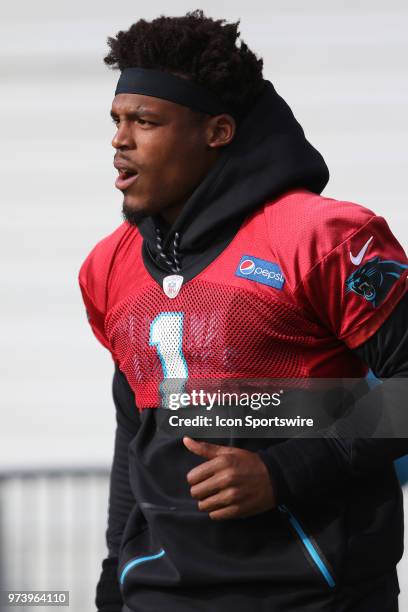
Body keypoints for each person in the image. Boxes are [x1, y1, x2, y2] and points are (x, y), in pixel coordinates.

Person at [78, 10, 408, 612]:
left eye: (145, 121)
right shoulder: (109, 265)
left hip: (314, 593)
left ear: (218, 132)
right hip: (158, 594)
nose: (119, 141)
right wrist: (111, 578)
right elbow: (135, 433)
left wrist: (286, 470)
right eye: (117, 121)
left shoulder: (323, 237)